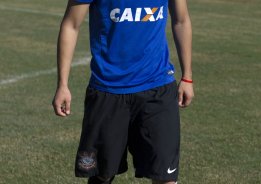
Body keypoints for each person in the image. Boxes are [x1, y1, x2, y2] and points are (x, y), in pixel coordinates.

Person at [52, 0, 194, 183]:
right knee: (101, 175)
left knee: (165, 177)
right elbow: (71, 25)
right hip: (107, 90)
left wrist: (187, 77)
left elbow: (181, 20)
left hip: (158, 88)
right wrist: (62, 84)